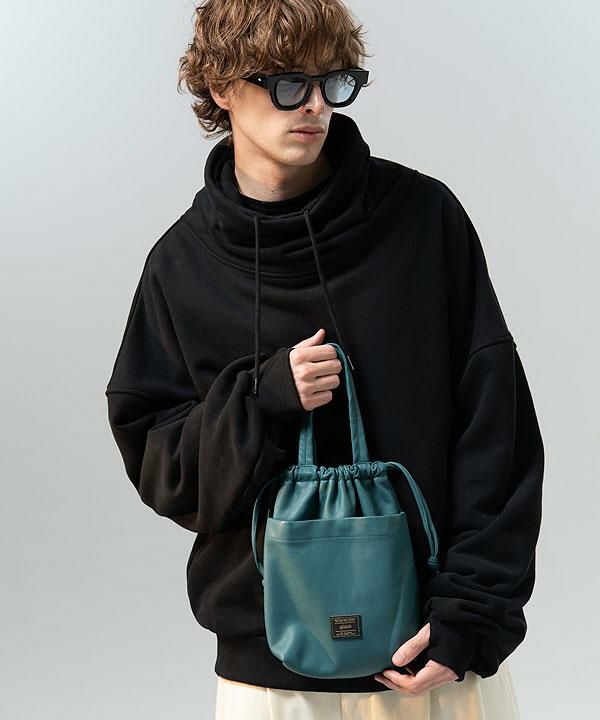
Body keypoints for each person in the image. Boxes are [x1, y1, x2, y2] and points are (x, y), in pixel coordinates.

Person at [105, 0, 544, 717]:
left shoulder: (423, 220)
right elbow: (165, 472)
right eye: (287, 83)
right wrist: (262, 401)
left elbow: (498, 432)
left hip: (432, 656)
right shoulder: (182, 267)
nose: (315, 106)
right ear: (220, 86)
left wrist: (472, 614)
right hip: (270, 673)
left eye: (333, 82)